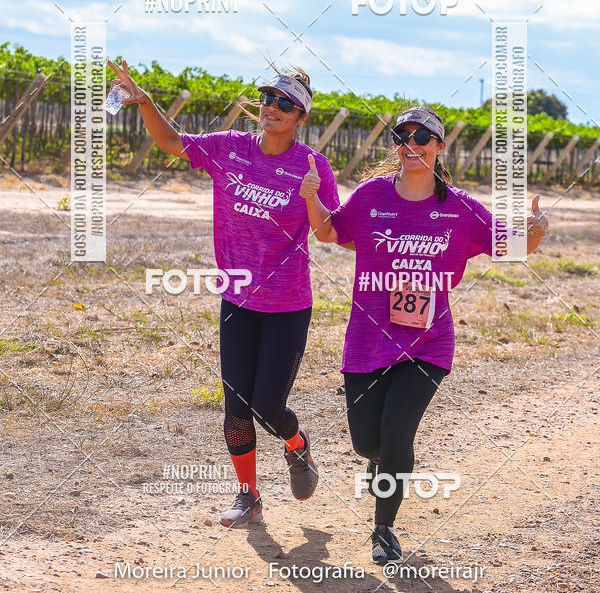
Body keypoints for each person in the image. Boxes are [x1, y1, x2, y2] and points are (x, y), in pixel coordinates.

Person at [300, 106, 549, 565]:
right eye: (403, 135)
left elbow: (512, 246)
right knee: (366, 443)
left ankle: (383, 529)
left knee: (397, 433)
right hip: (368, 341)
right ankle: (379, 462)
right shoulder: (373, 194)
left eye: (422, 135)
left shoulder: (458, 208)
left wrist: (536, 231)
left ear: (439, 146)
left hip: (428, 345)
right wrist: (312, 197)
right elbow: (330, 232)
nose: (411, 143)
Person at [107, 59, 340, 527]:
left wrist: (312, 196)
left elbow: (329, 233)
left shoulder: (312, 166)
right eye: (268, 98)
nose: (272, 107)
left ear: (301, 117)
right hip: (235, 300)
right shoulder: (228, 148)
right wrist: (145, 102)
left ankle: (297, 445)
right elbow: (173, 143)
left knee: (268, 408)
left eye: (285, 104)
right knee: (236, 408)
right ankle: (248, 495)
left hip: (287, 306)